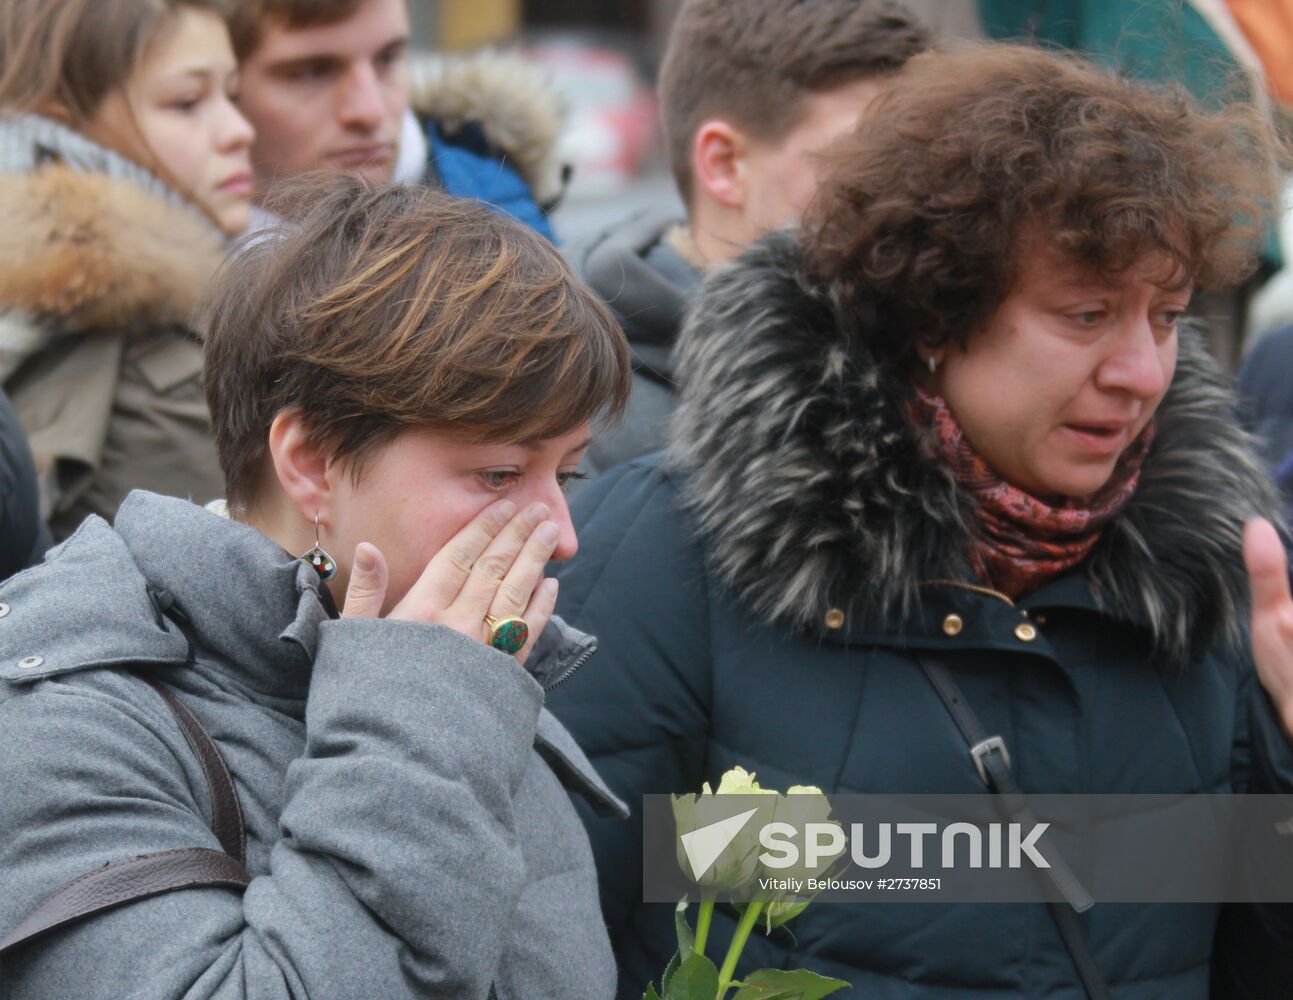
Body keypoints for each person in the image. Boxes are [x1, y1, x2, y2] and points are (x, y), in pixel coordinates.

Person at [548, 43, 1293, 997]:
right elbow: (546, 936)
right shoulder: (676, 556)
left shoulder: (1210, 587)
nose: (1139, 372)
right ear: (936, 312)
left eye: (1166, 317)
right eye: (1084, 314)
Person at [0, 178, 630, 997]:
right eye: (500, 473)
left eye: (567, 474)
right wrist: (423, 715)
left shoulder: (469, 661)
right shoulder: (67, 720)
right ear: (310, 464)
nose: (562, 536)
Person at [572, 0, 930, 480]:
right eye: (863, 162)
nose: (906, 196)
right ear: (724, 165)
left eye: (916, 160)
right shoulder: (573, 427)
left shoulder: (936, 356)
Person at [0, 0, 255, 540]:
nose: (240, 130)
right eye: (187, 103)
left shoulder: (208, 292)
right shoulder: (138, 358)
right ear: (61, 132)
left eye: (233, 96)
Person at [227, 0, 564, 239]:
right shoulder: (196, 277)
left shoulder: (503, 220)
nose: (370, 111)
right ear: (227, 87)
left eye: (387, 58)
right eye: (312, 72)